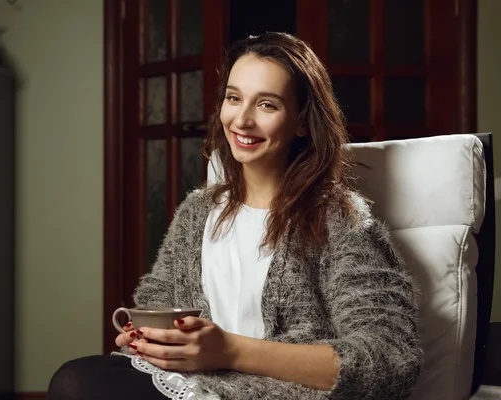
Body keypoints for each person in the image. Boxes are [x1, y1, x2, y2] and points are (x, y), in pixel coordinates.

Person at [48, 32, 423, 400]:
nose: (241, 120)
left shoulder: (340, 219)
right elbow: (155, 306)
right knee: (78, 377)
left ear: (302, 122)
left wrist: (229, 350)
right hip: (190, 385)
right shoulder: (196, 214)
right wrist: (148, 340)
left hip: (275, 394)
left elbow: (389, 359)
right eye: (233, 98)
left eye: (267, 104)